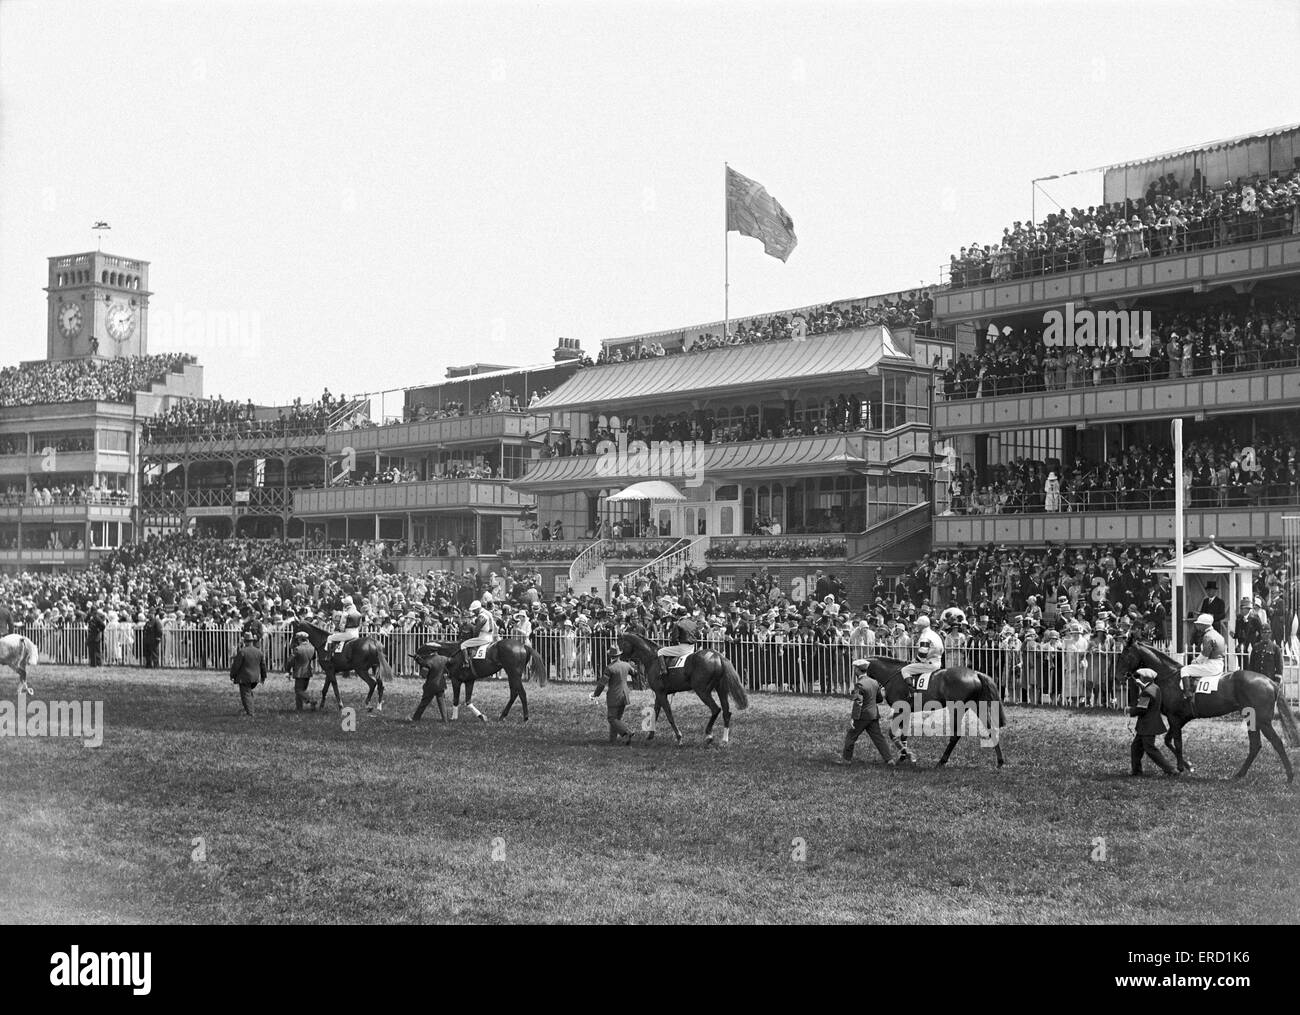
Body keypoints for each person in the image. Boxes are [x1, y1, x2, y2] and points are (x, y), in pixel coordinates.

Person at [839, 659, 897, 766]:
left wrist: (853, 718)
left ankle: (846, 760)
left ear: (857, 670)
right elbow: (879, 699)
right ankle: (889, 759)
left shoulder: (859, 684)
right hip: (874, 715)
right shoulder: (874, 682)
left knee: (851, 736)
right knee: (879, 738)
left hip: (862, 716)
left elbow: (858, 702)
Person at [1129, 668, 1178, 777]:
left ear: (1144, 678)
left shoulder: (1146, 693)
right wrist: (1141, 686)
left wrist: (1130, 710)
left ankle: (1170, 769)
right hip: (1149, 724)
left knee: (1150, 749)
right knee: (1136, 747)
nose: (1139, 678)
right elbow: (1149, 696)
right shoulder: (1155, 688)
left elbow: (1141, 709)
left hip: (1147, 726)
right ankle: (1136, 771)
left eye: (1140, 676)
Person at [1180, 612, 1226, 706]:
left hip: (1211, 665)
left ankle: (1187, 694)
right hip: (1219, 664)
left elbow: (1205, 655)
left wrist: (1195, 661)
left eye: (1199, 624)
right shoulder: (1218, 634)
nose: (1197, 626)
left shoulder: (1207, 636)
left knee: (1184, 670)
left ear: (1204, 625)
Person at [591, 647, 635, 745]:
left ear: (610, 656)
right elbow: (635, 673)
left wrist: (595, 694)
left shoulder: (610, 668)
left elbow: (602, 683)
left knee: (611, 718)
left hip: (614, 696)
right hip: (625, 695)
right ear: (619, 655)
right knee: (616, 719)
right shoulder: (626, 665)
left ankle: (627, 732)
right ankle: (613, 740)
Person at [230, 630, 267, 717]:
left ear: (245, 641)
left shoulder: (242, 652)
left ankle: (250, 713)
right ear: (252, 641)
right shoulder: (259, 652)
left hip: (245, 677)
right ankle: (249, 708)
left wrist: (232, 675)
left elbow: (236, 666)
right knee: (249, 693)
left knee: (245, 695)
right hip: (255, 678)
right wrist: (263, 677)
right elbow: (263, 666)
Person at [901, 615, 944, 690]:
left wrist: (914, 661)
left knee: (905, 670)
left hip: (929, 664)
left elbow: (922, 655)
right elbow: (942, 650)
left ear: (921, 626)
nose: (916, 626)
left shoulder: (924, 636)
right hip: (938, 662)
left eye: (917, 625)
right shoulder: (935, 634)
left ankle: (912, 691)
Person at [324, 594, 362, 659]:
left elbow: (342, 627)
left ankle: (329, 656)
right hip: (356, 633)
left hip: (348, 634)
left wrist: (337, 630)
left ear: (346, 604)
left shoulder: (345, 614)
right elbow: (359, 624)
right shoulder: (358, 613)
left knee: (330, 638)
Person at [289, 630, 317, 711]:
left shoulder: (298, 649)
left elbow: (290, 660)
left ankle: (311, 700)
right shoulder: (312, 648)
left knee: (298, 690)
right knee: (301, 691)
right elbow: (314, 657)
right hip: (308, 672)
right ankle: (299, 709)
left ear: (300, 639)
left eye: (298, 639)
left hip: (299, 672)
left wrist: (287, 669)